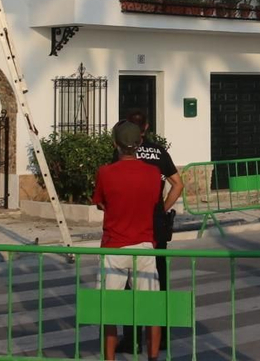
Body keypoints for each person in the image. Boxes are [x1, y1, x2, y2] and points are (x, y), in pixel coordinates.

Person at [92, 120, 166, 361]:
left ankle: (109, 359)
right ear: (139, 143)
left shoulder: (105, 172)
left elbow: (101, 202)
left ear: (115, 144)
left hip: (113, 247)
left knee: (109, 310)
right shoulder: (153, 173)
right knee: (151, 310)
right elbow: (155, 201)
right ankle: (153, 357)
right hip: (145, 246)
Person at [124, 108, 183, 341]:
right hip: (155, 225)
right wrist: (163, 208)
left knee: (129, 282)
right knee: (158, 279)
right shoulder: (158, 152)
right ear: (146, 127)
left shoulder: (123, 153)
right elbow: (178, 184)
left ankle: (131, 337)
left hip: (129, 224)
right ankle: (161, 337)